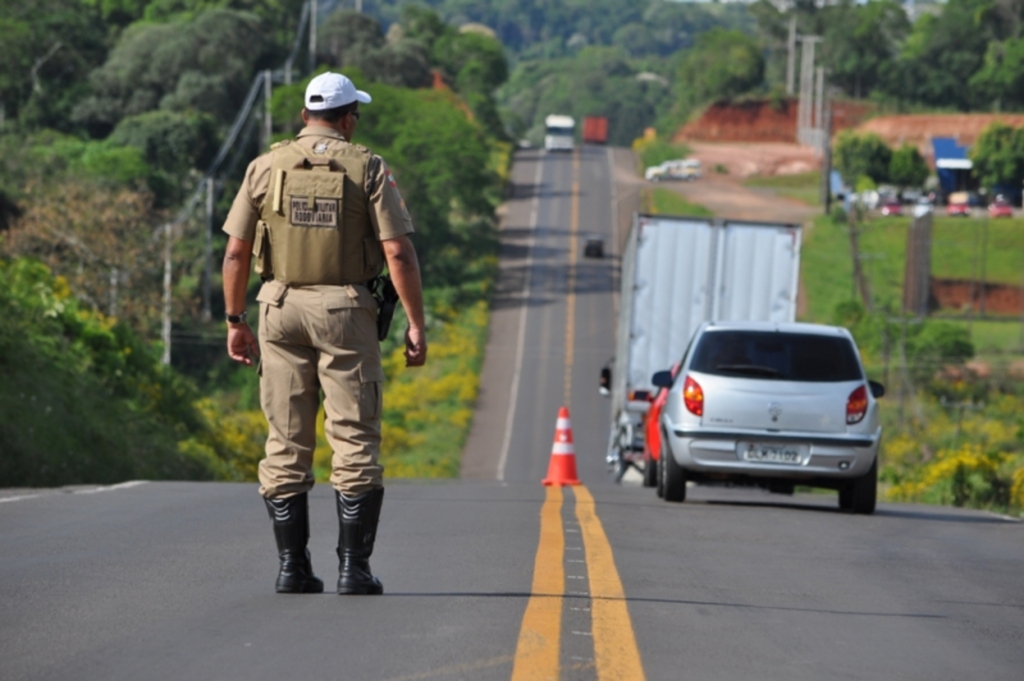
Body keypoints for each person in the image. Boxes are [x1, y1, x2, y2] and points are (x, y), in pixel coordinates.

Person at [221, 71, 427, 595]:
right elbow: (398, 251)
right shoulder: (369, 168)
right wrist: (415, 323)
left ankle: (292, 568)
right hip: (344, 311)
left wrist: (235, 320)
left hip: (279, 306)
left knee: (286, 440)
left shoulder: (265, 167)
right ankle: (352, 570)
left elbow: (236, 252)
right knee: (354, 438)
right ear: (348, 118)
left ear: (306, 115)